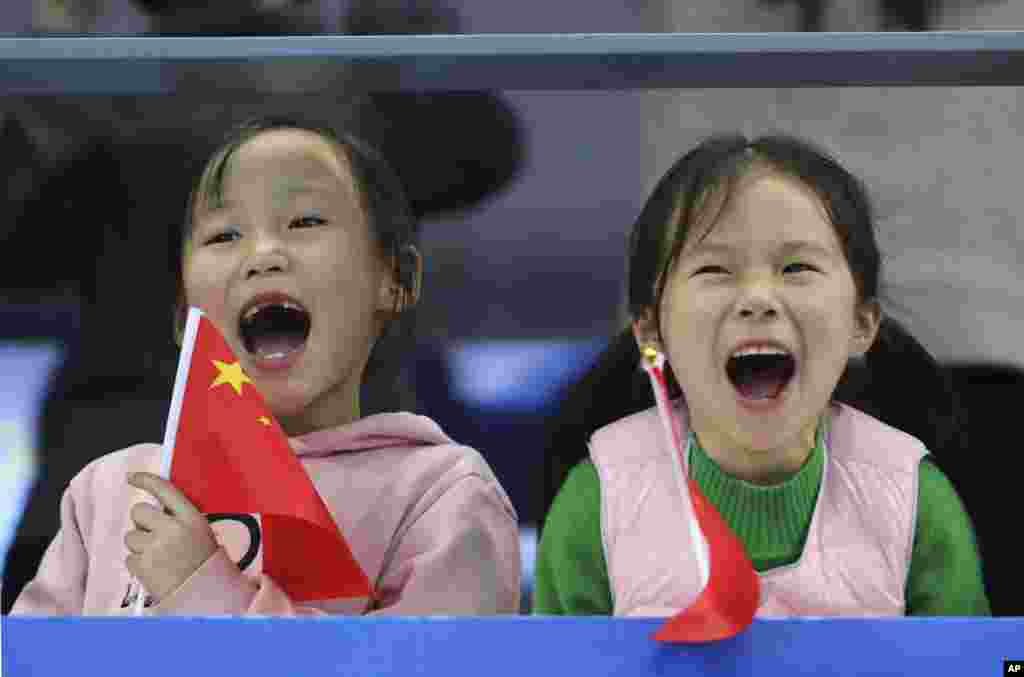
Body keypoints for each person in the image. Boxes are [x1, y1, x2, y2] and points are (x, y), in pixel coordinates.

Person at [11, 116, 520, 616]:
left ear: (397, 278)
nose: (263, 254)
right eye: (223, 235)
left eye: (305, 222)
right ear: (181, 309)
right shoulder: (104, 493)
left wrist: (204, 591)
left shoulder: (442, 494)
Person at [533, 133, 989, 617]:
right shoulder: (598, 500)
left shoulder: (914, 498)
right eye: (714, 269)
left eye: (796, 267)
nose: (758, 298)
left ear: (861, 322)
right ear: (651, 329)